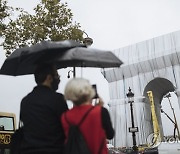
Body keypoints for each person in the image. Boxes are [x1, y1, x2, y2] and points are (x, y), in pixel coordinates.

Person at [20, 63, 68, 154]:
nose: (59, 79)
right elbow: (67, 126)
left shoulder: (25, 101)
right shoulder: (57, 99)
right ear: (49, 78)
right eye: (57, 75)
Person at [61, 78, 115, 154]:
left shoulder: (65, 116)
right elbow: (110, 135)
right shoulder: (100, 112)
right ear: (89, 93)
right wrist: (99, 108)